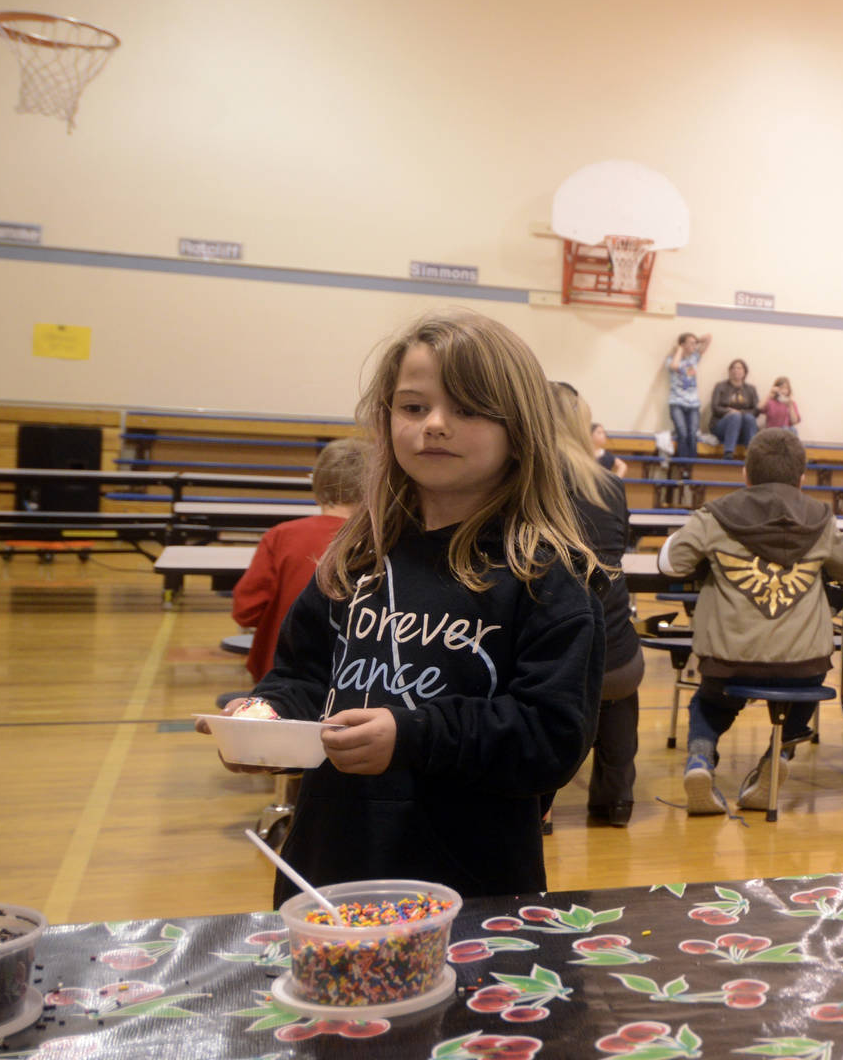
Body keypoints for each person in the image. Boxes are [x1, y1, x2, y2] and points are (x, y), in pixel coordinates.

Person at [203, 311, 602, 903]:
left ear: (519, 429)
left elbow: (551, 739)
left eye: (466, 409)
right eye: (413, 408)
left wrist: (415, 734)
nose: (435, 426)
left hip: (468, 889)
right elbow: (305, 676)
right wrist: (265, 714)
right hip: (327, 873)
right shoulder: (354, 559)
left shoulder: (546, 576)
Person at [660, 429, 843, 814]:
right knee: (802, 698)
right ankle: (776, 758)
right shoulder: (820, 518)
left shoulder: (716, 515)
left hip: (729, 658)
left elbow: (670, 563)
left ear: (746, 475)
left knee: (710, 704)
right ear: (801, 478)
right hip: (803, 663)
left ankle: (700, 760)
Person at [553, 384, 644, 828]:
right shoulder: (610, 483)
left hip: (555, 660)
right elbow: (619, 544)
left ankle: (540, 803)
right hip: (618, 651)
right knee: (617, 693)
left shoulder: (522, 480)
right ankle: (616, 801)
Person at [231, 439, 367, 681]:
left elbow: (246, 610)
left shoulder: (281, 536)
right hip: (357, 679)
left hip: (281, 676)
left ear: (317, 482)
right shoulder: (383, 542)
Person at [664, 332, 710, 461]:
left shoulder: (694, 358)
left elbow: (709, 338)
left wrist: (696, 340)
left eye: (694, 343)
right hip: (676, 402)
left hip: (693, 404)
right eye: (690, 343)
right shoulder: (671, 359)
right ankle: (683, 463)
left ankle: (692, 464)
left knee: (692, 433)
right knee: (682, 432)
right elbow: (674, 366)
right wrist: (679, 349)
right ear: (682, 345)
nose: (694, 346)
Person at [710, 359, 762, 456]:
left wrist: (740, 412)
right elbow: (715, 408)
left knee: (749, 418)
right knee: (735, 417)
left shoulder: (751, 389)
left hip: (744, 427)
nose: (736, 370)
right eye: (733, 368)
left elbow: (756, 411)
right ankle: (729, 452)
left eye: (739, 368)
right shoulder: (720, 386)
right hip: (722, 426)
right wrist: (729, 412)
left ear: (745, 372)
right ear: (729, 371)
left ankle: (751, 454)